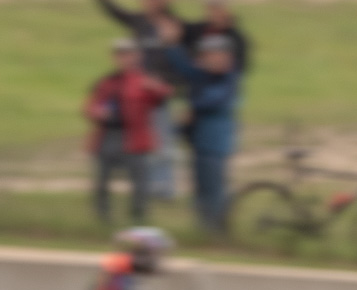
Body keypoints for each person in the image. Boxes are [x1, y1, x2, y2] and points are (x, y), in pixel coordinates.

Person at [93, 0, 184, 201]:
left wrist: (172, 87)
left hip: (161, 94)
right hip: (139, 96)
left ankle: (165, 189)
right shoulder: (139, 21)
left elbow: (182, 61)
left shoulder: (173, 23)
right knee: (143, 144)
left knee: (164, 144)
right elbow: (116, 13)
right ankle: (146, 188)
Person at [84, 39, 172, 226]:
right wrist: (97, 112)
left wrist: (156, 87)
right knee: (102, 180)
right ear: (115, 58)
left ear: (138, 56)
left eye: (129, 54)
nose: (125, 58)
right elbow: (90, 106)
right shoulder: (107, 81)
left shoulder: (144, 80)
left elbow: (163, 95)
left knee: (140, 182)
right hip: (108, 135)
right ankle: (102, 218)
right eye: (121, 55)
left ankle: (138, 220)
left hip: (134, 138)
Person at [163, 32, 241, 235]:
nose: (207, 59)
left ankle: (217, 232)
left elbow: (213, 100)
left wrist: (192, 108)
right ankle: (203, 230)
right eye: (205, 55)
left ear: (226, 56)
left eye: (212, 54)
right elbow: (184, 68)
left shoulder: (229, 78)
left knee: (214, 191)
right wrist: (172, 45)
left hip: (215, 145)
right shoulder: (204, 76)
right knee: (200, 190)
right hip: (199, 143)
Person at [182, 0, 250, 75]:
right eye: (213, 10)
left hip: (223, 75)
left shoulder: (235, 36)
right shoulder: (196, 30)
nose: (215, 14)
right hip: (198, 72)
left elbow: (239, 64)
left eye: (218, 9)